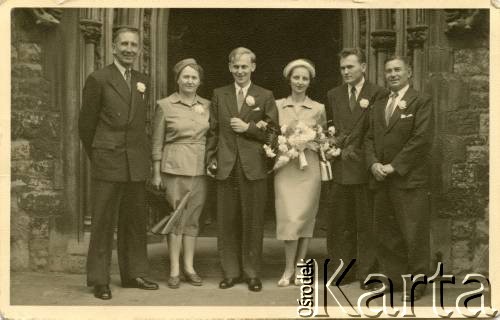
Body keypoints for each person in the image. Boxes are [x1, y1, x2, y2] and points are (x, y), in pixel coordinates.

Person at [78, 26, 158, 300]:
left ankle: (134, 273)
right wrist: (100, 153)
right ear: (113, 47)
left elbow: (140, 123)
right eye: (123, 44)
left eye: (134, 45)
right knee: (102, 222)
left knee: (134, 221)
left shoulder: (142, 79)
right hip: (108, 160)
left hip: (134, 161)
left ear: (139, 50)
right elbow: (86, 126)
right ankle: (100, 279)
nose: (129, 49)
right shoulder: (99, 78)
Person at [206, 47, 279, 292]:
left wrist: (248, 128)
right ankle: (230, 272)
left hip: (253, 167)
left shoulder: (265, 95)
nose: (240, 71)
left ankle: (252, 273)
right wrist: (211, 159)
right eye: (236, 66)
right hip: (226, 165)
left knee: (253, 221)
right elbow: (213, 130)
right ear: (229, 67)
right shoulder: (219, 94)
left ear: (253, 68)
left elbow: (273, 133)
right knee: (227, 222)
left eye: (244, 67)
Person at [365, 56, 433, 301]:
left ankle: (418, 282)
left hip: (407, 178)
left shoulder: (421, 101)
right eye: (388, 71)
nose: (392, 74)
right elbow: (369, 137)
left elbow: (421, 139)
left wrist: (394, 166)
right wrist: (373, 163)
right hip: (381, 177)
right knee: (386, 232)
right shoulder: (380, 102)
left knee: (413, 231)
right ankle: (393, 280)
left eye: (397, 70)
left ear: (409, 72)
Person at [325, 48, 387, 290]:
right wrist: (332, 148)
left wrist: (355, 154)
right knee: (341, 222)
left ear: (363, 67)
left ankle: (367, 273)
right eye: (342, 68)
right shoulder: (334, 94)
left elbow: (376, 132)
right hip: (340, 169)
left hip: (363, 168)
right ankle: (343, 271)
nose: (346, 72)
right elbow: (331, 129)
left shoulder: (377, 93)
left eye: (350, 67)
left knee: (365, 223)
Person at [150, 58, 210, 289]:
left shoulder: (207, 105)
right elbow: (156, 142)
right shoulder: (165, 105)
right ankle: (174, 269)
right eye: (185, 76)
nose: (189, 81)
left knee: (193, 219)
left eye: (194, 77)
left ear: (199, 81)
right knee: (175, 218)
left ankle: (189, 267)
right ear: (177, 79)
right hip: (173, 167)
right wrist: (156, 173)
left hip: (200, 168)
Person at [274, 59, 326, 287]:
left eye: (305, 78)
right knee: (289, 218)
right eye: (296, 77)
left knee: (305, 217)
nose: (300, 82)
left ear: (310, 82)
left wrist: (311, 142)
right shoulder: (277, 106)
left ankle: (300, 268)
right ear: (289, 79)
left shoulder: (318, 108)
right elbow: (271, 135)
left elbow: (323, 137)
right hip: (286, 167)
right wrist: (285, 144)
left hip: (309, 168)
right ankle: (287, 268)